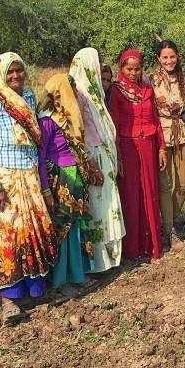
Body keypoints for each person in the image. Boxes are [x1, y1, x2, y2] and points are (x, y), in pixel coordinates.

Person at [0, 52, 57, 321]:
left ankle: (31, 290)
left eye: (19, 71)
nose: (15, 76)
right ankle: (8, 299)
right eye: (10, 72)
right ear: (1, 74)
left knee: (31, 234)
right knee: (5, 236)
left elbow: (35, 143)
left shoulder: (30, 98)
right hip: (4, 182)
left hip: (29, 178)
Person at [36, 74, 97, 292]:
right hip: (60, 179)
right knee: (63, 230)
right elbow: (41, 157)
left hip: (74, 177)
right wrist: (46, 190)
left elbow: (79, 147)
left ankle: (77, 274)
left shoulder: (68, 118)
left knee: (77, 229)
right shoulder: (46, 121)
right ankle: (61, 281)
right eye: (69, 91)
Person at [69, 48, 126, 272]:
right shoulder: (79, 93)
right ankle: (97, 263)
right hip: (92, 157)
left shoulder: (94, 93)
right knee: (97, 208)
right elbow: (78, 132)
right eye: (96, 62)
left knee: (107, 206)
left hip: (103, 154)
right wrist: (91, 162)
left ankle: (110, 260)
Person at [109, 49, 166, 260]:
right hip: (128, 147)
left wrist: (161, 148)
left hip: (148, 145)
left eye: (137, 69)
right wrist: (118, 155)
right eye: (129, 69)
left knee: (150, 192)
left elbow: (155, 121)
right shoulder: (116, 91)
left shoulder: (148, 90)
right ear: (122, 69)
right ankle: (132, 248)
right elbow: (113, 123)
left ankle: (151, 245)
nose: (133, 73)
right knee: (131, 195)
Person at [149, 40, 185, 249]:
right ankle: (169, 230)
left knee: (184, 184)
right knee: (164, 185)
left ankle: (164, 222)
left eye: (172, 56)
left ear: (177, 56)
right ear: (158, 59)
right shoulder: (150, 81)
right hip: (161, 137)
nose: (169, 61)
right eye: (165, 57)